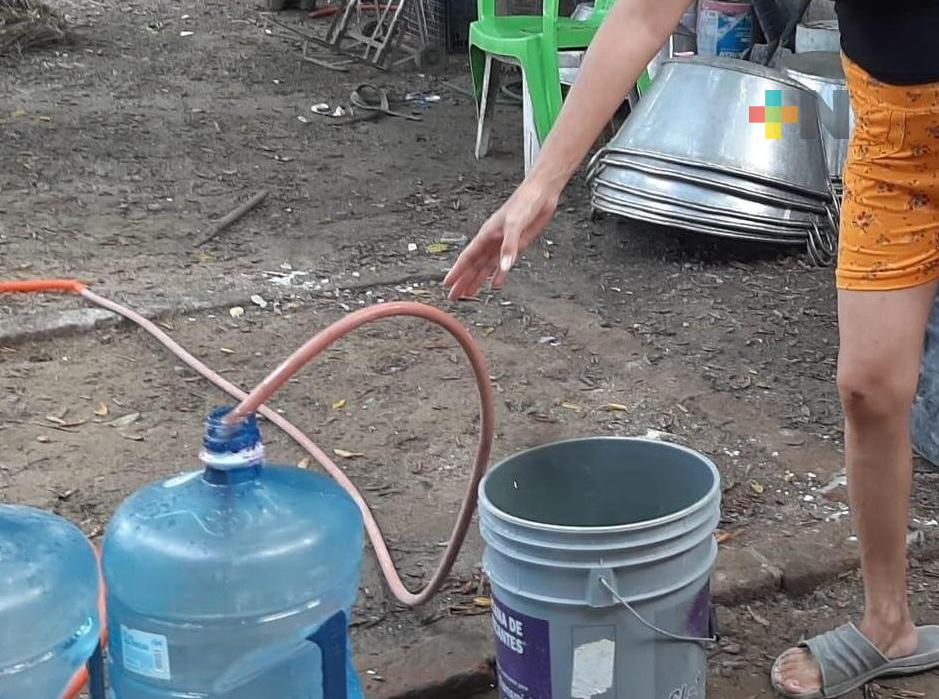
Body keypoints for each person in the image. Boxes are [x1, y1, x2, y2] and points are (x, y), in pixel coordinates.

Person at [444, 0, 939, 696]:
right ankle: (887, 622)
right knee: (869, 386)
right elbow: (645, 15)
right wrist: (541, 181)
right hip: (893, 137)